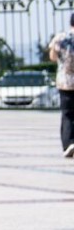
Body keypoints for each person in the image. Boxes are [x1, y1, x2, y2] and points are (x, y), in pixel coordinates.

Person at [49, 13, 74, 158]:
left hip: (65, 82)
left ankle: (69, 143)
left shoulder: (60, 38)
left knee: (67, 114)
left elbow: (52, 57)